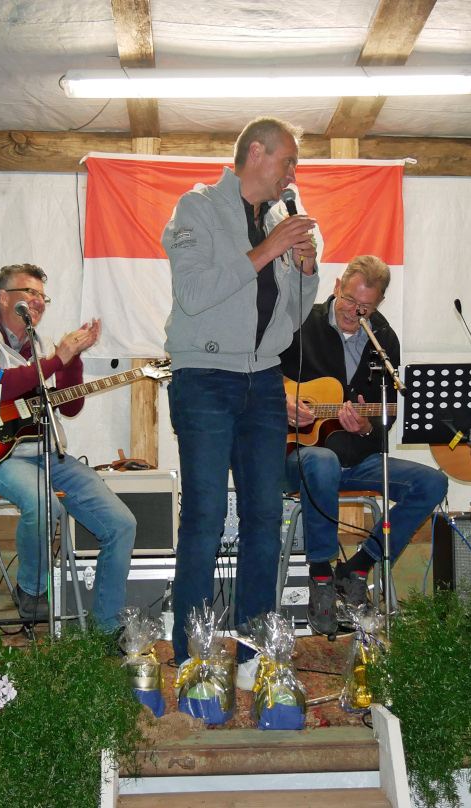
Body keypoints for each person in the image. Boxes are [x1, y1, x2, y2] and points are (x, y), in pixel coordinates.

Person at [163, 117, 319, 688]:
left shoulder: (277, 218)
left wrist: (305, 270)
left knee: (265, 517)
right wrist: (267, 249)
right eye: (287, 161)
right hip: (205, 377)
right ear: (257, 152)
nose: (292, 174)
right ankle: (193, 653)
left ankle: (254, 650)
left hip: (264, 380)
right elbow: (193, 293)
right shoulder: (197, 207)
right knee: (205, 516)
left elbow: (293, 315)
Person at [0, 263, 136, 629]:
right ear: (4, 297)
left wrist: (73, 358)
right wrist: (57, 360)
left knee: (122, 523)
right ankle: (33, 590)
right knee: (44, 503)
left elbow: (71, 407)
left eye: (42, 296)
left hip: (51, 455)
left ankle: (107, 627)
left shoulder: (45, 347)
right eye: (30, 293)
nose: (38, 301)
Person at [282, 255, 448, 634]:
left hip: (358, 460)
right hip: (296, 459)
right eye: (349, 299)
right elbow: (257, 372)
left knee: (433, 483)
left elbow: (385, 418)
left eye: (365, 307)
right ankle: (320, 575)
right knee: (321, 461)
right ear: (337, 286)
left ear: (379, 303)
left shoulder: (384, 341)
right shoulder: (299, 323)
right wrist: (281, 399)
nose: (354, 311)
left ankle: (358, 566)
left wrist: (366, 428)